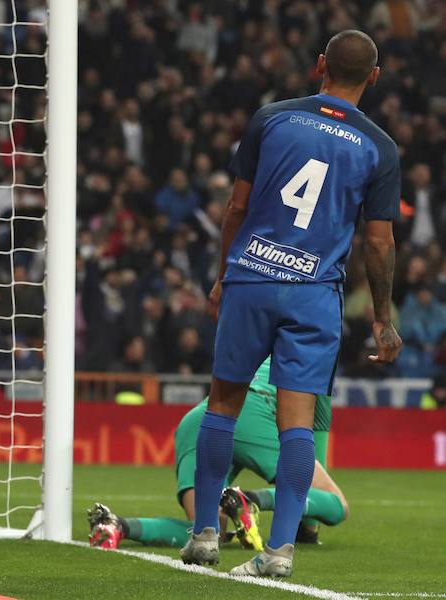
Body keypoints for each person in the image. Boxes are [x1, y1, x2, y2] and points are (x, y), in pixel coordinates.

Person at [180, 30, 402, 577]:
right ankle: (279, 551)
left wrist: (222, 277)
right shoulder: (379, 147)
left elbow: (236, 208)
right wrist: (382, 317)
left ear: (320, 64)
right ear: (374, 77)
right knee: (296, 425)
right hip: (314, 293)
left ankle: (204, 535)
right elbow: (378, 243)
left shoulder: (272, 118)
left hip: (252, 278)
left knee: (222, 405)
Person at [87, 358, 349, 550]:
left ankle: (119, 526)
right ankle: (250, 499)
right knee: (337, 504)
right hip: (253, 414)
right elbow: (317, 443)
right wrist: (308, 530)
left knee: (207, 532)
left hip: (202, 419)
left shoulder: (256, 341)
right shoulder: (315, 355)